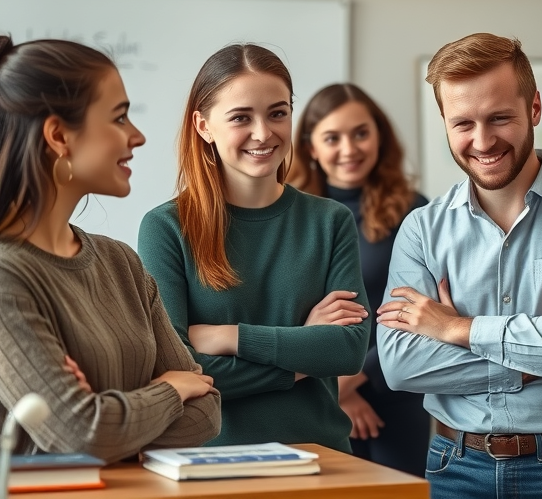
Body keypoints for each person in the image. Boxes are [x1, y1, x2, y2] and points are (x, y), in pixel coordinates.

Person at [376, 33, 542, 498]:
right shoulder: (421, 229)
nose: (483, 141)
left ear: (533, 109)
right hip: (455, 466)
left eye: (500, 118)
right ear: (445, 123)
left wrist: (458, 328)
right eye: (463, 123)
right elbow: (402, 365)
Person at [137, 44, 370, 453]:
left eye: (277, 113)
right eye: (241, 117)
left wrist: (228, 336)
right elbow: (177, 371)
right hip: (209, 462)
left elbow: (347, 350)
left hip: (321, 459)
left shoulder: (330, 220)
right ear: (204, 126)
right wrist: (300, 358)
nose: (263, 133)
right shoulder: (166, 228)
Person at [0, 36, 220, 462]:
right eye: (119, 117)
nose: (136, 136)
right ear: (59, 135)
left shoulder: (122, 263)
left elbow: (207, 414)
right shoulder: (7, 277)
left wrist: (108, 415)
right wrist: (169, 388)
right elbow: (80, 433)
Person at [288, 83, 430, 475]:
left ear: (379, 137)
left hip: (390, 398)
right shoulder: (289, 213)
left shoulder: (416, 214)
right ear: (311, 147)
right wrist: (335, 389)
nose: (349, 149)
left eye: (361, 133)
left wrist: (354, 379)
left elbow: (423, 314)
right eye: (332, 137)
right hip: (307, 396)